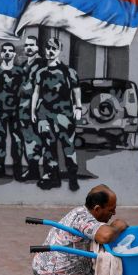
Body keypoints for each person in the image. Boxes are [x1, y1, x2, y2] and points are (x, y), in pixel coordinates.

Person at [32, 184, 129, 275]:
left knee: (100, 271)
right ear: (97, 209)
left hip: (40, 274)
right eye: (111, 209)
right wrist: (117, 226)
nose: (114, 213)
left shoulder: (79, 211)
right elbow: (105, 236)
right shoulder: (84, 220)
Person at [31, 37, 82, 191]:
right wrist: (33, 110)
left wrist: (78, 107)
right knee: (48, 146)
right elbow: (36, 92)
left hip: (64, 115)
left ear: (59, 51)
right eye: (48, 48)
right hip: (45, 114)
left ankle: (73, 176)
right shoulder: (41, 72)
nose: (50, 51)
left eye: (54, 48)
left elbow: (76, 90)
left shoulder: (68, 72)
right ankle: (53, 177)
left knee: (68, 147)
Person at [0, 42, 25, 179]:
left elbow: (23, 91)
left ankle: (18, 169)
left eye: (10, 50)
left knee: (17, 139)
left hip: (15, 110)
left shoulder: (19, 71)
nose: (7, 52)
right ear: (1, 54)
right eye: (4, 50)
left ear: (14, 54)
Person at [16, 35, 44, 182]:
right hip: (23, 107)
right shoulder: (24, 65)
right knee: (29, 139)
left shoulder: (42, 64)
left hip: (37, 108)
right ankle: (33, 170)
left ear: (37, 47)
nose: (28, 48)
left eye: (31, 45)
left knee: (38, 140)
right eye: (26, 45)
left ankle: (41, 172)